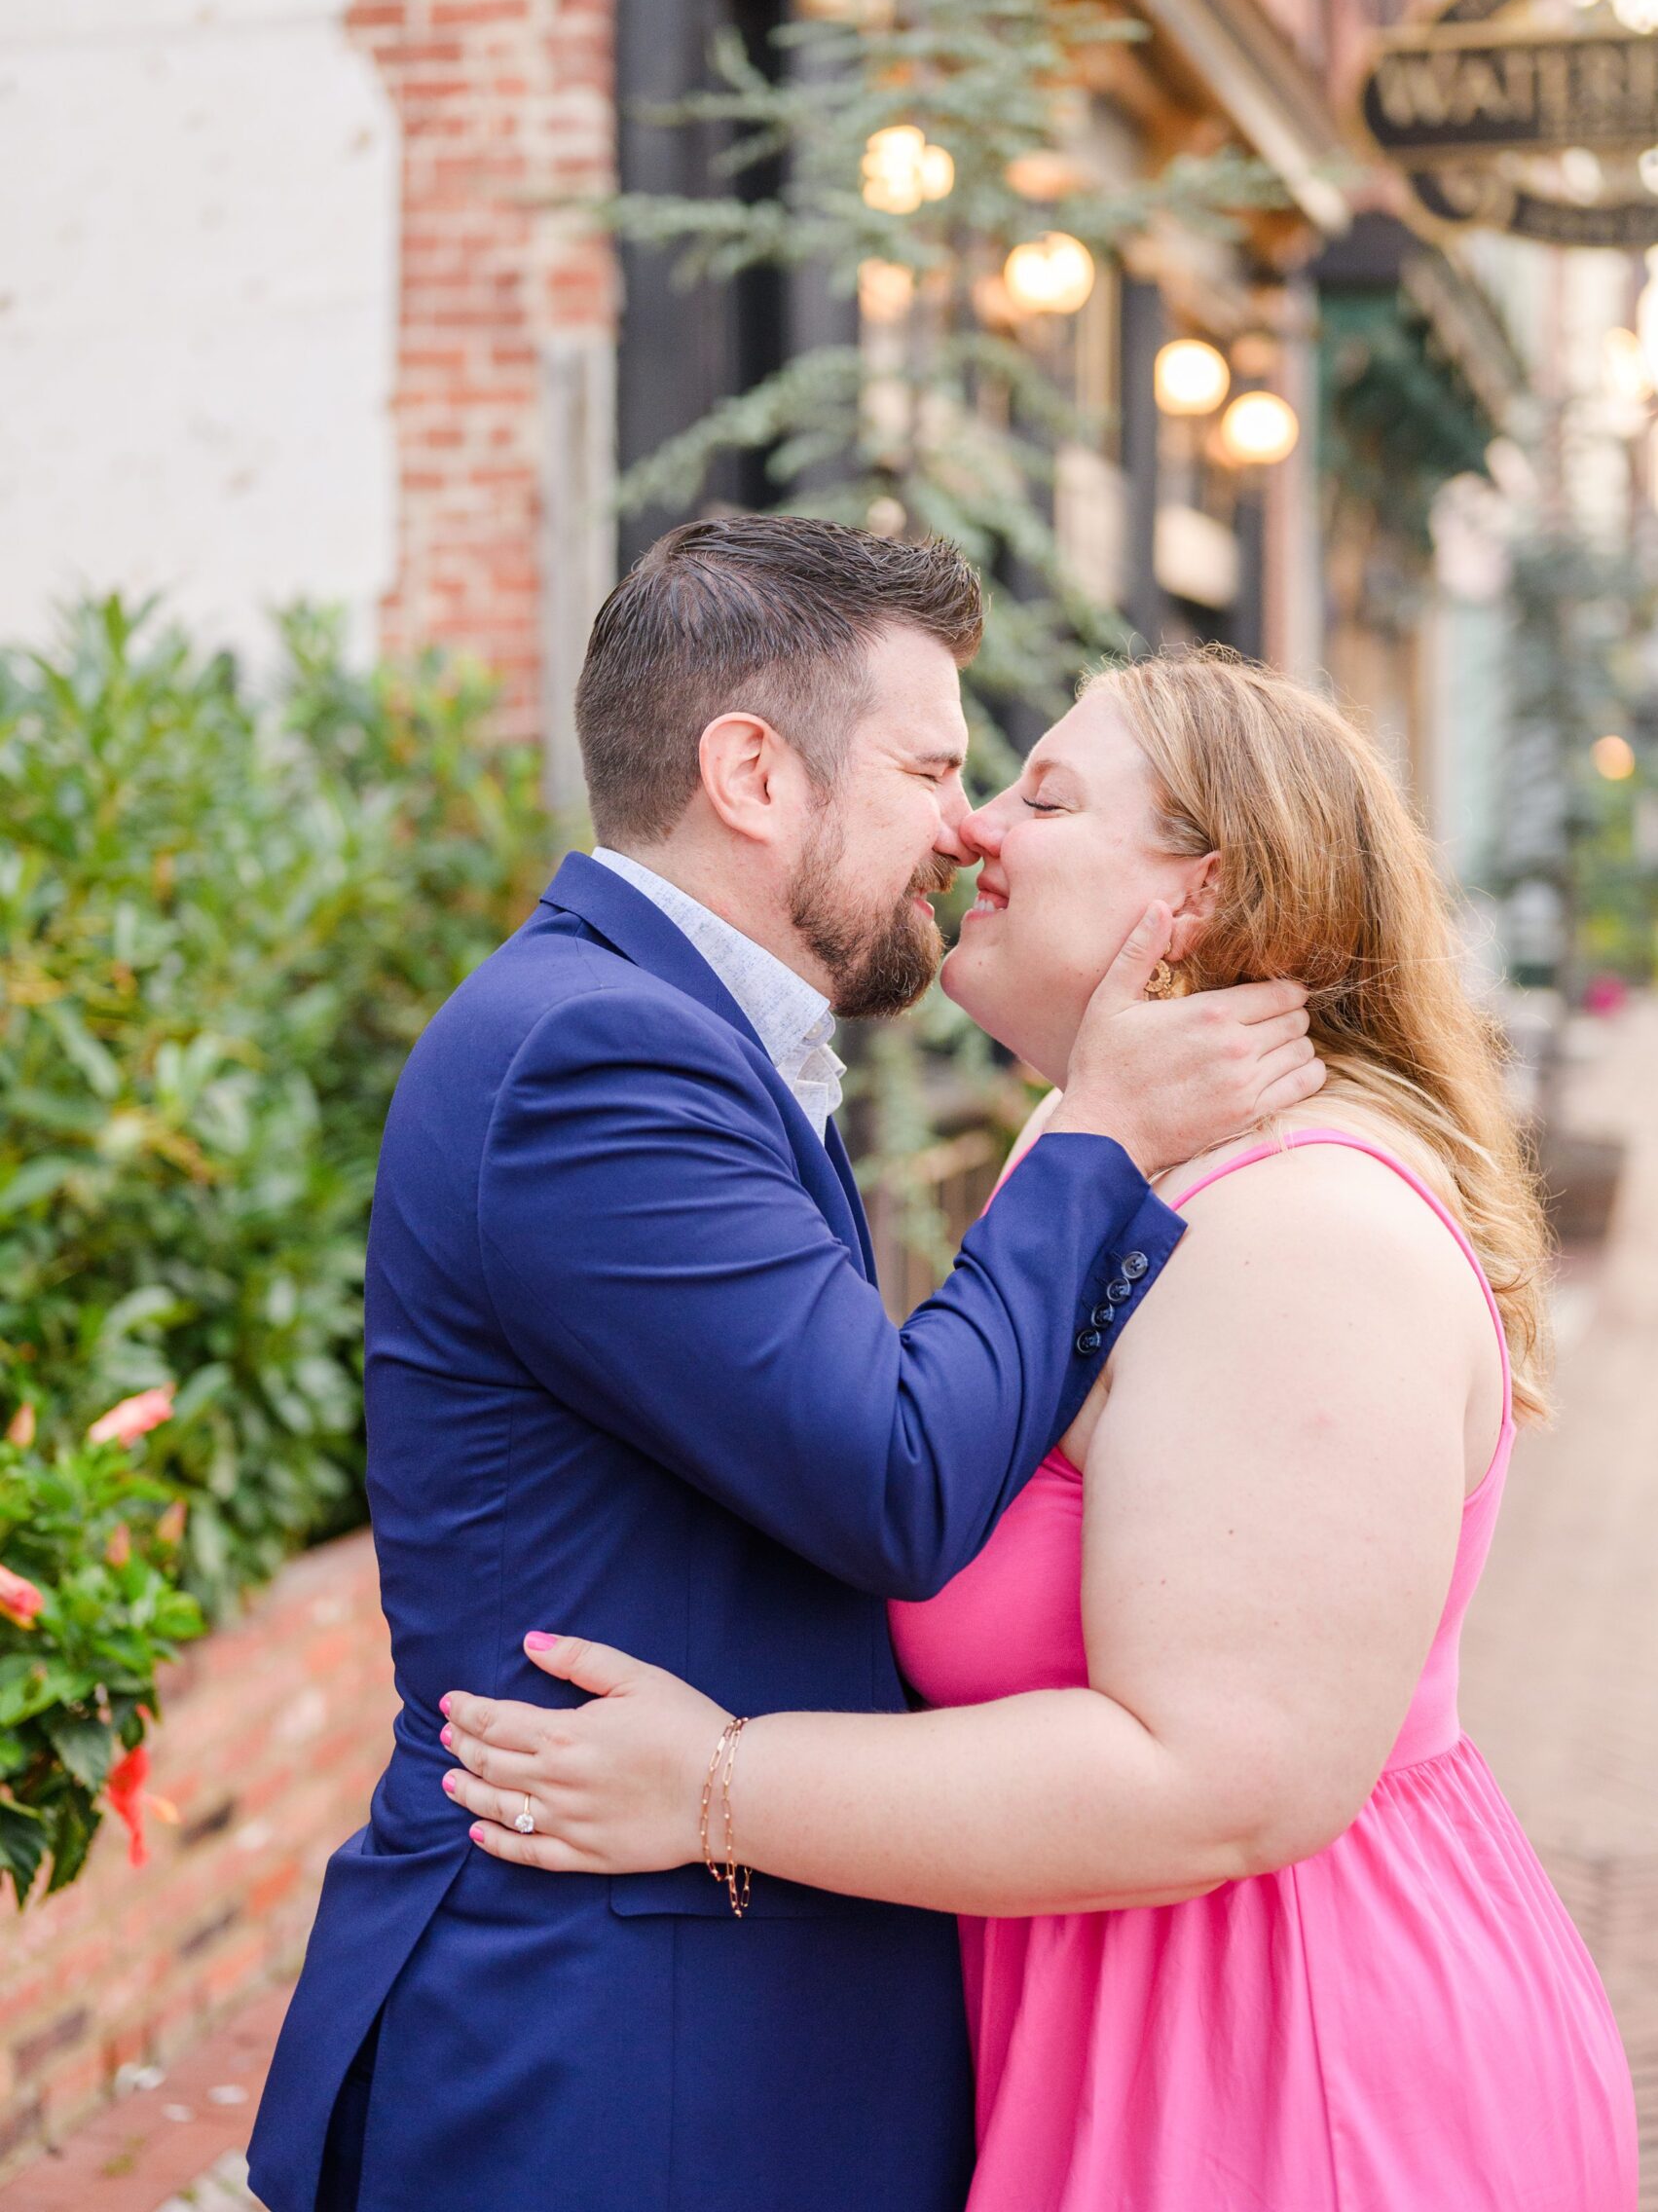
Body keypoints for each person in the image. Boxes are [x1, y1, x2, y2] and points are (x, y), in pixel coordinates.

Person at [443, 648, 1640, 2212]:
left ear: (1196, 900)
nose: (975, 833)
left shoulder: (1295, 1233)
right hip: (1134, 2034)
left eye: (1044, 794)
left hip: (1289, 2071)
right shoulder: (1116, 1164)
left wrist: (714, 1787)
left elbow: (1222, 1781)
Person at [247, 524, 1322, 2212]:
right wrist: (1096, 1130)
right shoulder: (597, 1056)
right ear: (752, 771)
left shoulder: (670, 1031)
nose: (965, 830)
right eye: (928, 767)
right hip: (619, 2057)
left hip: (696, 2014)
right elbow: (894, 1480)